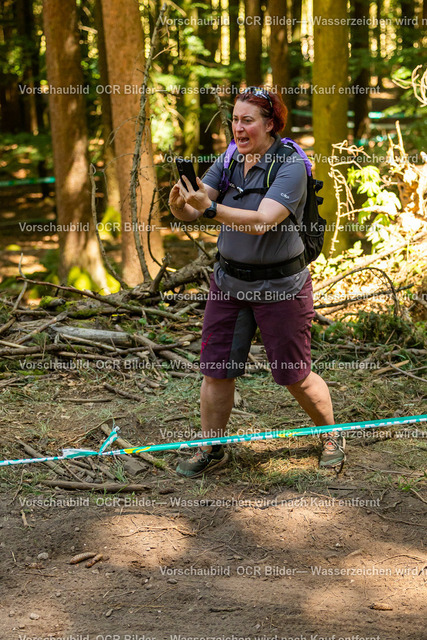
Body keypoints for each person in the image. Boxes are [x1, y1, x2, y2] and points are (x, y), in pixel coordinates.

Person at [168, 87, 345, 478]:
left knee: (293, 374)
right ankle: (212, 448)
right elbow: (196, 209)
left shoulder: (290, 165)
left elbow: (263, 221)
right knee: (216, 369)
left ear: (270, 124)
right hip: (229, 283)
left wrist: (208, 209)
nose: (238, 128)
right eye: (235, 119)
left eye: (247, 120)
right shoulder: (229, 158)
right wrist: (179, 204)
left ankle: (332, 436)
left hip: (281, 287)